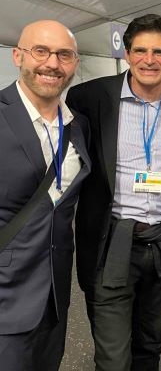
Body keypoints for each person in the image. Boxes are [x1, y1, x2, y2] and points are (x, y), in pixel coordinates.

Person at [66, 14, 161, 370]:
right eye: (140, 50)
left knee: (149, 346)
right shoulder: (89, 97)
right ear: (127, 54)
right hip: (110, 241)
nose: (149, 60)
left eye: (159, 52)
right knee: (114, 357)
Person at [0, 20, 90, 370]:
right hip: (5, 295)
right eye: (41, 51)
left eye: (63, 54)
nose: (52, 63)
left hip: (54, 295)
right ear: (18, 55)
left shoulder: (78, 125)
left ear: (74, 64)